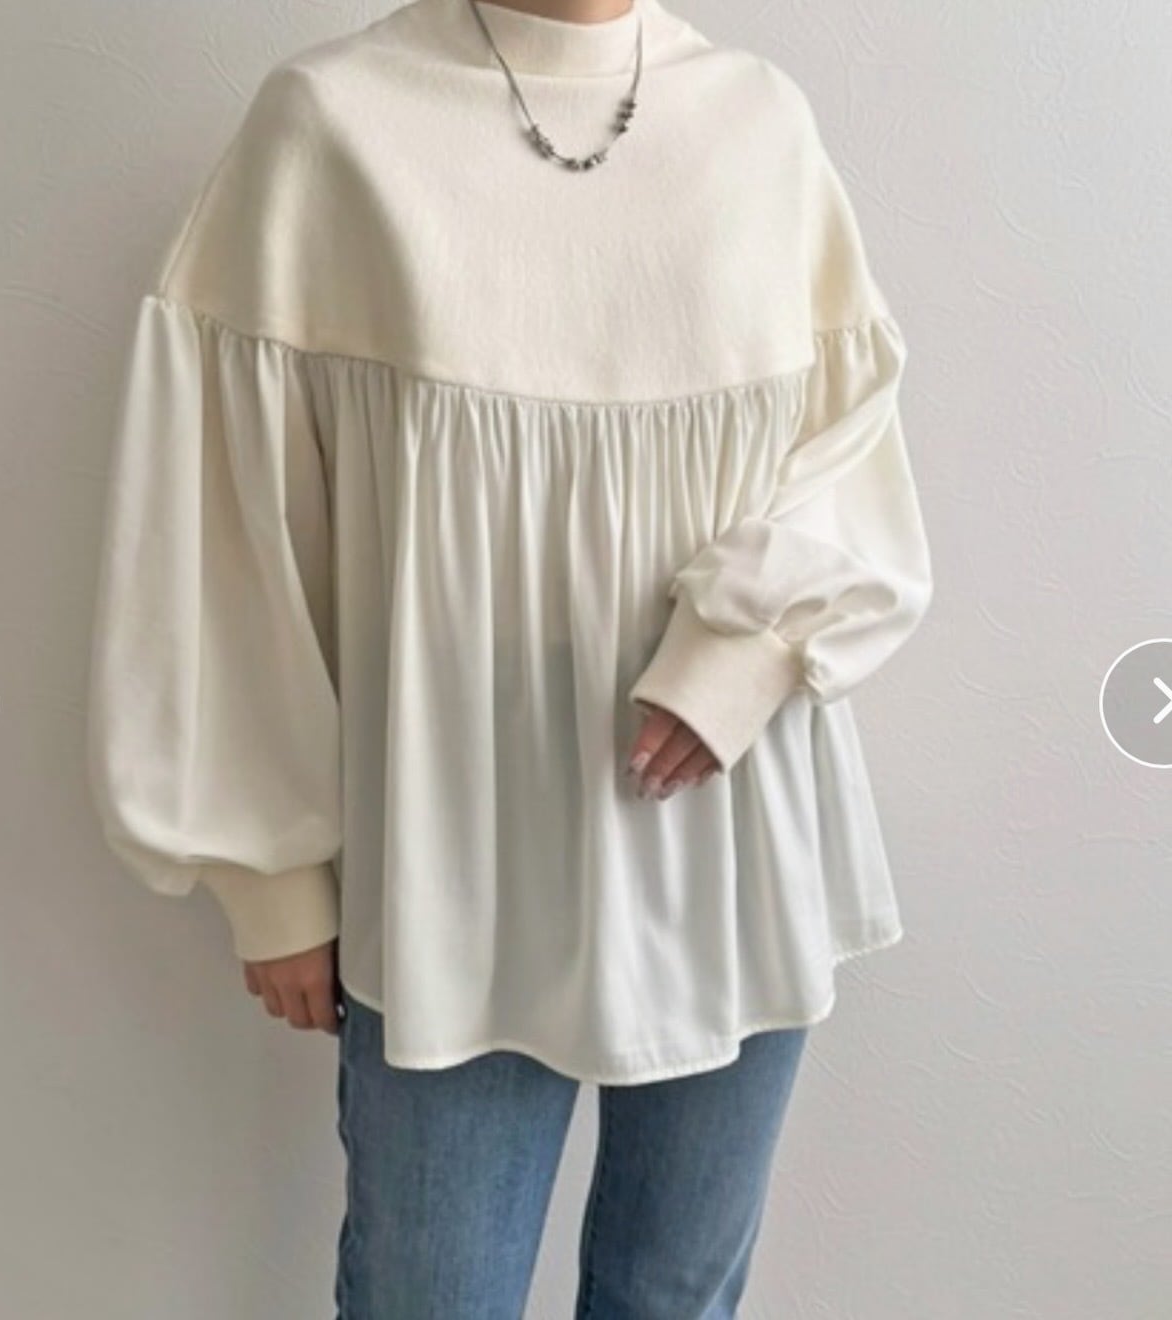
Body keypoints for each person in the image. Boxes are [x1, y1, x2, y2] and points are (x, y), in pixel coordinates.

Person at [85, 0, 933, 1314]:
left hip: (731, 833)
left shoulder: (758, 119)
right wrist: (271, 874)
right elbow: (222, 525)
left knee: (673, 1297)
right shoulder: (332, 121)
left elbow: (853, 439)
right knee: (432, 1296)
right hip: (450, 867)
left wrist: (742, 649)